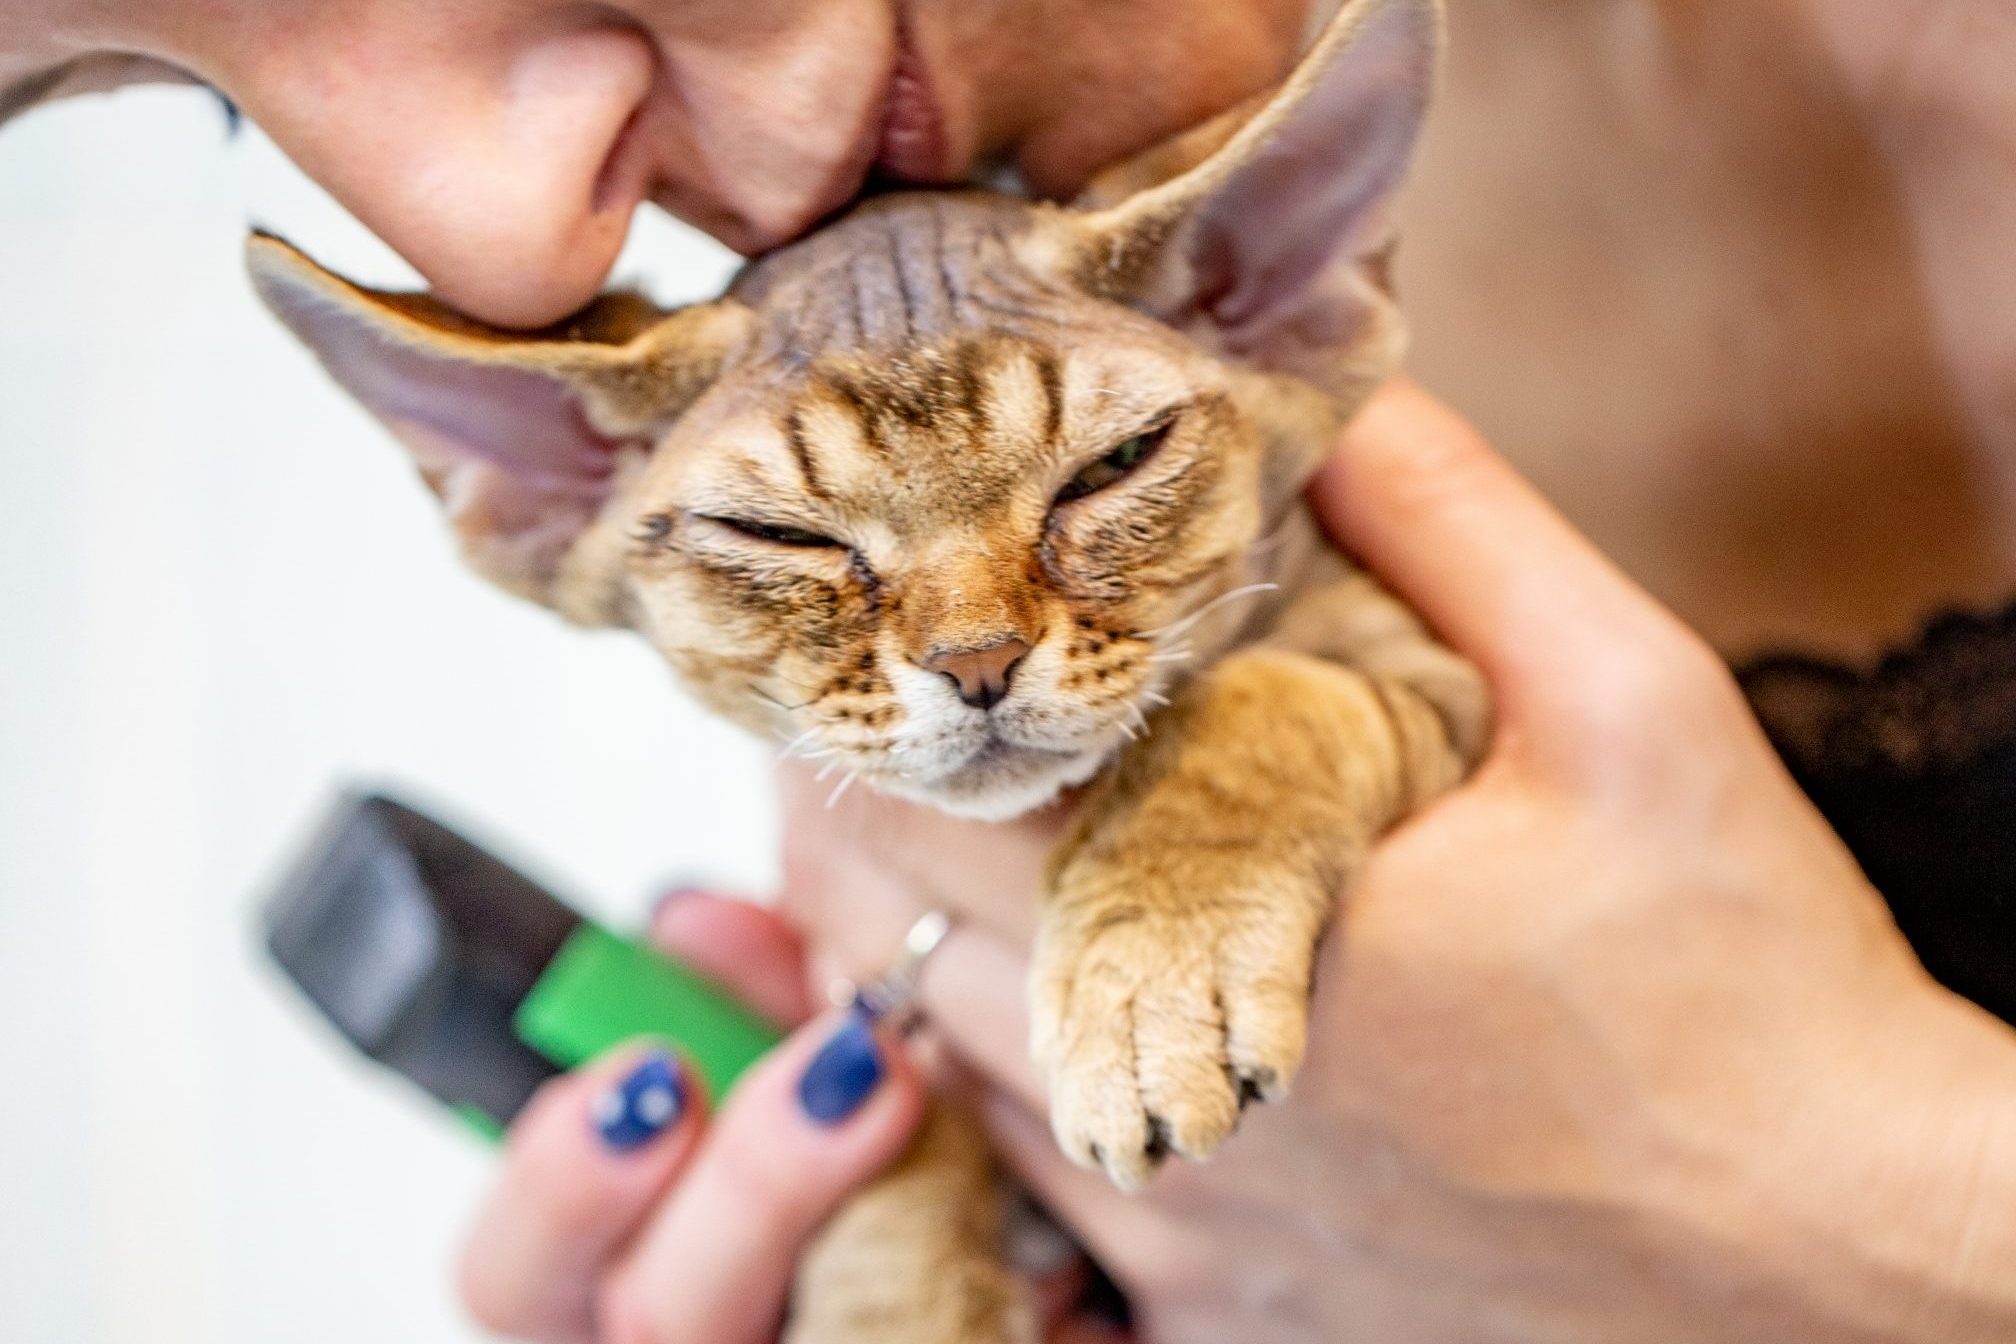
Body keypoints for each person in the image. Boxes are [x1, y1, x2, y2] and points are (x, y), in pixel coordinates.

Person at [9, 1, 2015, 1340]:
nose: (505, 228)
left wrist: (1853, 1213)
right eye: (182, 88)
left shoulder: (1201, 299)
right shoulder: (1104, 290)